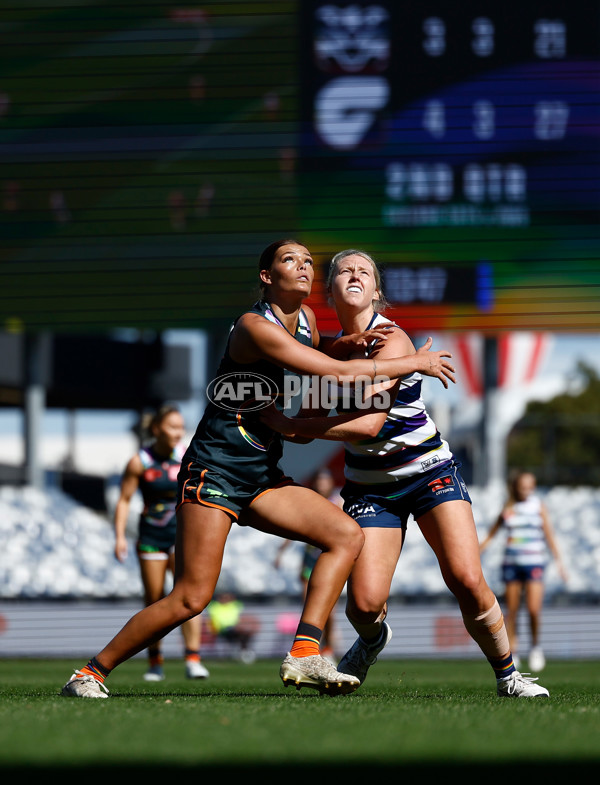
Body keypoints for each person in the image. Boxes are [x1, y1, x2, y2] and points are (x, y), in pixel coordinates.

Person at [61, 239, 455, 699]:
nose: (304, 267)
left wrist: (343, 341)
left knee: (345, 535)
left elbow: (314, 348)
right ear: (268, 277)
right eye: (291, 260)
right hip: (215, 471)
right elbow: (331, 373)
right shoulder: (253, 327)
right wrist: (417, 362)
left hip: (260, 475)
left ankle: (305, 652)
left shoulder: (305, 321)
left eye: (309, 261)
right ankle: (90, 673)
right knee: (190, 598)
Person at [260, 248, 550, 698]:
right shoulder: (325, 352)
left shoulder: (391, 339)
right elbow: (306, 425)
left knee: (466, 579)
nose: (354, 275)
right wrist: (283, 414)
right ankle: (374, 640)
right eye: (344, 271)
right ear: (331, 290)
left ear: (376, 292)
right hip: (371, 488)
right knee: (363, 604)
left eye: (365, 272)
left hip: (428, 471)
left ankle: (509, 676)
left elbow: (369, 423)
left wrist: (294, 421)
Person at [113, 405, 209, 681]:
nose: (178, 432)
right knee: (154, 600)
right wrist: (119, 536)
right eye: (172, 427)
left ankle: (193, 658)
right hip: (151, 538)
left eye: (181, 427)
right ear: (156, 429)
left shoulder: (188, 456)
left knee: (190, 597)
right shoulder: (139, 462)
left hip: (183, 536)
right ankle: (155, 663)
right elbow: (124, 500)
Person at [480, 470, 568, 672]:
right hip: (511, 563)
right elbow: (492, 533)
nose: (527, 490)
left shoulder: (538, 506)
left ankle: (536, 647)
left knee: (533, 609)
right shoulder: (508, 507)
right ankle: (514, 651)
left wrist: (560, 563)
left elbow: (549, 535)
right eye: (524, 486)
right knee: (512, 612)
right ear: (516, 487)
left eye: (531, 486)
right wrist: (477, 550)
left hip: (534, 563)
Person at [274, 467, 343, 661]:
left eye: (325, 480)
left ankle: (329, 648)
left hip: (329, 557)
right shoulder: (310, 500)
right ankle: (312, 650)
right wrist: (281, 552)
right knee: (309, 605)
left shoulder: (337, 502)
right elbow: (295, 526)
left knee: (328, 609)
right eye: (319, 480)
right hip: (309, 558)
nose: (322, 484)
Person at [206, 592, 260, 663]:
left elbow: (240, 610)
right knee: (240, 632)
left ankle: (244, 652)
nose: (225, 599)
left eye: (227, 597)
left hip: (234, 629)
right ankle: (244, 653)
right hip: (221, 630)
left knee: (244, 633)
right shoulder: (214, 606)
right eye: (223, 597)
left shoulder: (234, 606)